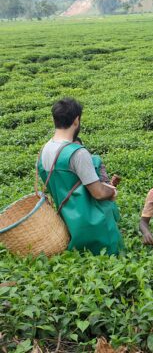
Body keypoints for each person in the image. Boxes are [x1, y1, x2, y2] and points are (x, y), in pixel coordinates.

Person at [37, 98, 123, 255]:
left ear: (53, 119)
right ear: (76, 120)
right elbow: (98, 192)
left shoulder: (44, 150)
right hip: (95, 225)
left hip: (68, 223)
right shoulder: (77, 153)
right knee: (109, 261)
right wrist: (111, 191)